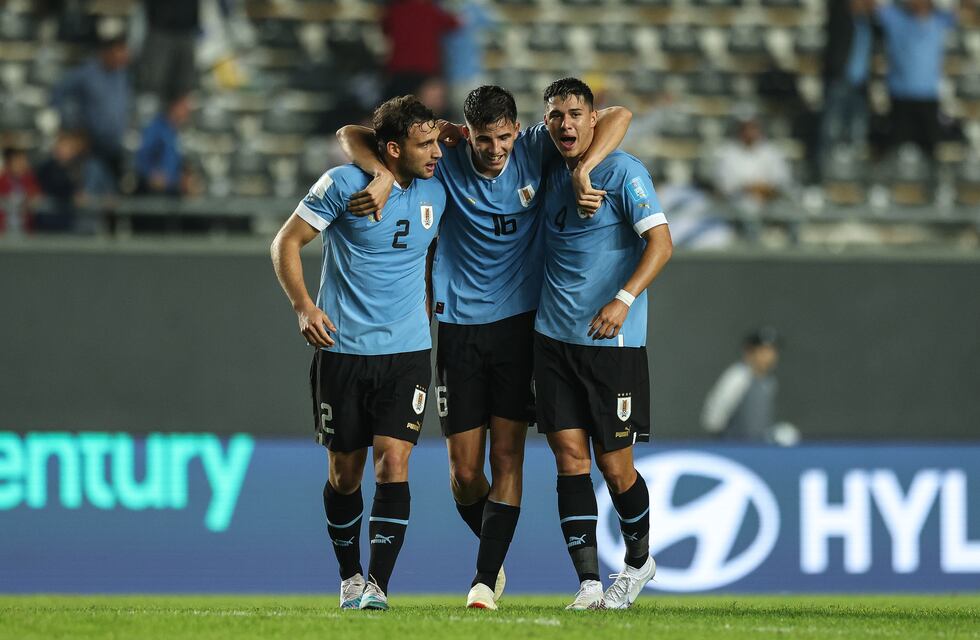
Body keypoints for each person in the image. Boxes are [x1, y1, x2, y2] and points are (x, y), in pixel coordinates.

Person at [335, 85, 632, 609]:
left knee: (508, 456)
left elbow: (619, 114)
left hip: (519, 326)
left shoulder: (536, 146)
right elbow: (353, 133)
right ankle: (493, 548)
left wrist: (585, 171)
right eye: (483, 140)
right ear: (465, 134)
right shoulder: (443, 155)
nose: (495, 150)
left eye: (503, 138)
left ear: (517, 131)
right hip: (458, 327)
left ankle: (484, 576)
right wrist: (381, 174)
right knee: (465, 473)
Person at [270, 96, 446, 612]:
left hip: (408, 351)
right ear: (392, 149)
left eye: (436, 142)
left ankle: (377, 585)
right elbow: (285, 242)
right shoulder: (343, 184)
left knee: (394, 462)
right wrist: (303, 307)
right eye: (424, 145)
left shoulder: (439, 185)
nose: (436, 153)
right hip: (343, 349)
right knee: (345, 473)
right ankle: (349, 576)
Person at [534, 78, 672, 610]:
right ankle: (589, 582)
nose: (565, 123)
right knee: (569, 459)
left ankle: (637, 564)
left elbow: (662, 243)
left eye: (575, 113)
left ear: (593, 118)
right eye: (555, 115)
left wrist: (623, 299)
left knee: (615, 466)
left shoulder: (623, 171)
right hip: (553, 338)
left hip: (610, 344)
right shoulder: (547, 164)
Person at [875, 0, 970, 159]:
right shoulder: (895, 17)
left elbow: (965, 8)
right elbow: (872, 6)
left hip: (928, 95)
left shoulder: (939, 20)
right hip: (900, 94)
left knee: (930, 147)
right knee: (895, 147)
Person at [51, 33, 131, 196]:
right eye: (119, 52)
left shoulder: (122, 76)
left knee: (112, 194)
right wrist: (70, 123)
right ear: (107, 52)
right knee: (90, 189)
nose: (123, 58)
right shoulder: (87, 73)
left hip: (114, 147)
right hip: (91, 146)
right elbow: (59, 91)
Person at [701, 327, 781, 442]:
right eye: (763, 351)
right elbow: (713, 417)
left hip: (759, 446)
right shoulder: (738, 376)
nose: (769, 356)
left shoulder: (769, 382)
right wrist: (721, 440)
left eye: (772, 351)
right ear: (749, 352)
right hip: (736, 445)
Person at [820, 0, 875, 163]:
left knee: (857, 130)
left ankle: (854, 169)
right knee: (832, 127)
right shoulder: (840, 17)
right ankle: (826, 165)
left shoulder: (868, 23)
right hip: (840, 80)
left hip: (860, 84)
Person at [381, 0, 460, 100]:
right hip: (425, 69)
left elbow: (384, 27)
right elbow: (455, 23)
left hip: (399, 69)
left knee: (396, 104)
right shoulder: (432, 11)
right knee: (424, 105)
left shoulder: (395, 10)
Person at [135, 92, 194, 195]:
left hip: (173, 193)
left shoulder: (178, 132)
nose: (187, 111)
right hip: (154, 195)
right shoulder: (156, 128)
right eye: (184, 106)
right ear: (174, 106)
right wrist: (152, 175)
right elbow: (142, 157)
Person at [0, 148, 41, 235]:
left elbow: (36, 198)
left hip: (25, 226)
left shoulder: (30, 179)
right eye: (17, 161)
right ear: (9, 163)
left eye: (23, 161)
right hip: (4, 225)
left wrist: (32, 201)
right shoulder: (2, 179)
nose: (21, 164)